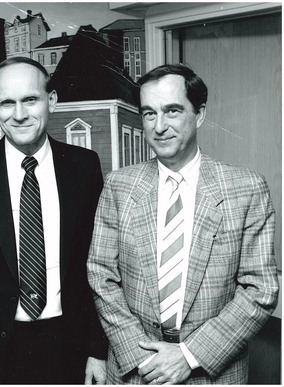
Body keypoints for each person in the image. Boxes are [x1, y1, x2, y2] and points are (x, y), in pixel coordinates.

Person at [87, 63, 279, 384]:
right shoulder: (119, 186)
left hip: (213, 373)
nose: (159, 126)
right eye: (149, 114)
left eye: (172, 111)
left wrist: (189, 355)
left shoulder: (245, 188)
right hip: (136, 370)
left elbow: (261, 289)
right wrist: (142, 358)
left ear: (199, 114)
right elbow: (101, 275)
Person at [0, 57, 108, 385]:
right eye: (7, 103)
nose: (19, 114)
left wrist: (97, 349)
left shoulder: (83, 167)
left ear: (52, 100)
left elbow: (98, 266)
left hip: (69, 346)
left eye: (30, 99)